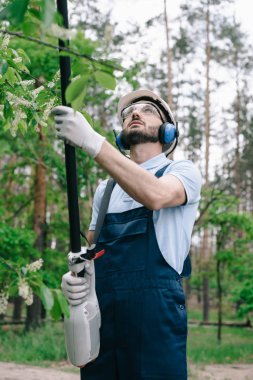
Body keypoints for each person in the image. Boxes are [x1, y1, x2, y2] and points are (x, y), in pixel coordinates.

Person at [50, 89, 202, 380]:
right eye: (128, 113)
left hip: (155, 319)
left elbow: (155, 195)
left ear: (168, 130)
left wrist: (93, 142)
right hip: (103, 319)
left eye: (147, 110)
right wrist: (74, 279)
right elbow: (90, 254)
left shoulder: (182, 172)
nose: (134, 113)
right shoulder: (105, 191)